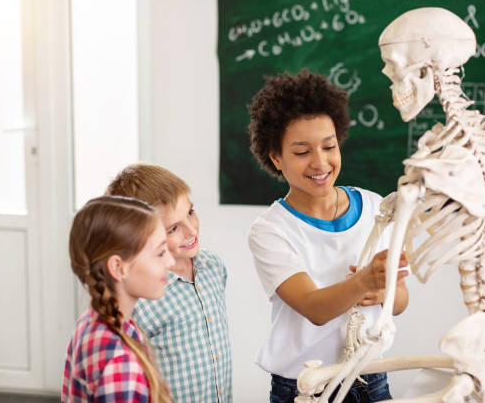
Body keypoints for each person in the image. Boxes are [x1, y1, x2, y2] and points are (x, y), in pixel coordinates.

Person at [247, 69, 409, 403]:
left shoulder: (376, 208)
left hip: (371, 379)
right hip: (303, 387)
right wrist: (365, 282)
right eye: (302, 152)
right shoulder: (271, 230)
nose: (320, 162)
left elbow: (401, 302)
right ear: (276, 158)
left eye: (329, 146)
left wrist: (384, 290)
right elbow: (314, 308)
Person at [105, 163, 232, 403]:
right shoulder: (141, 296)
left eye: (190, 213)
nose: (191, 230)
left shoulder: (214, 268)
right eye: (173, 228)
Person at [62, 195, 174, 403]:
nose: (171, 261)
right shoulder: (121, 363)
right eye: (160, 253)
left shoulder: (89, 321)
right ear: (118, 267)